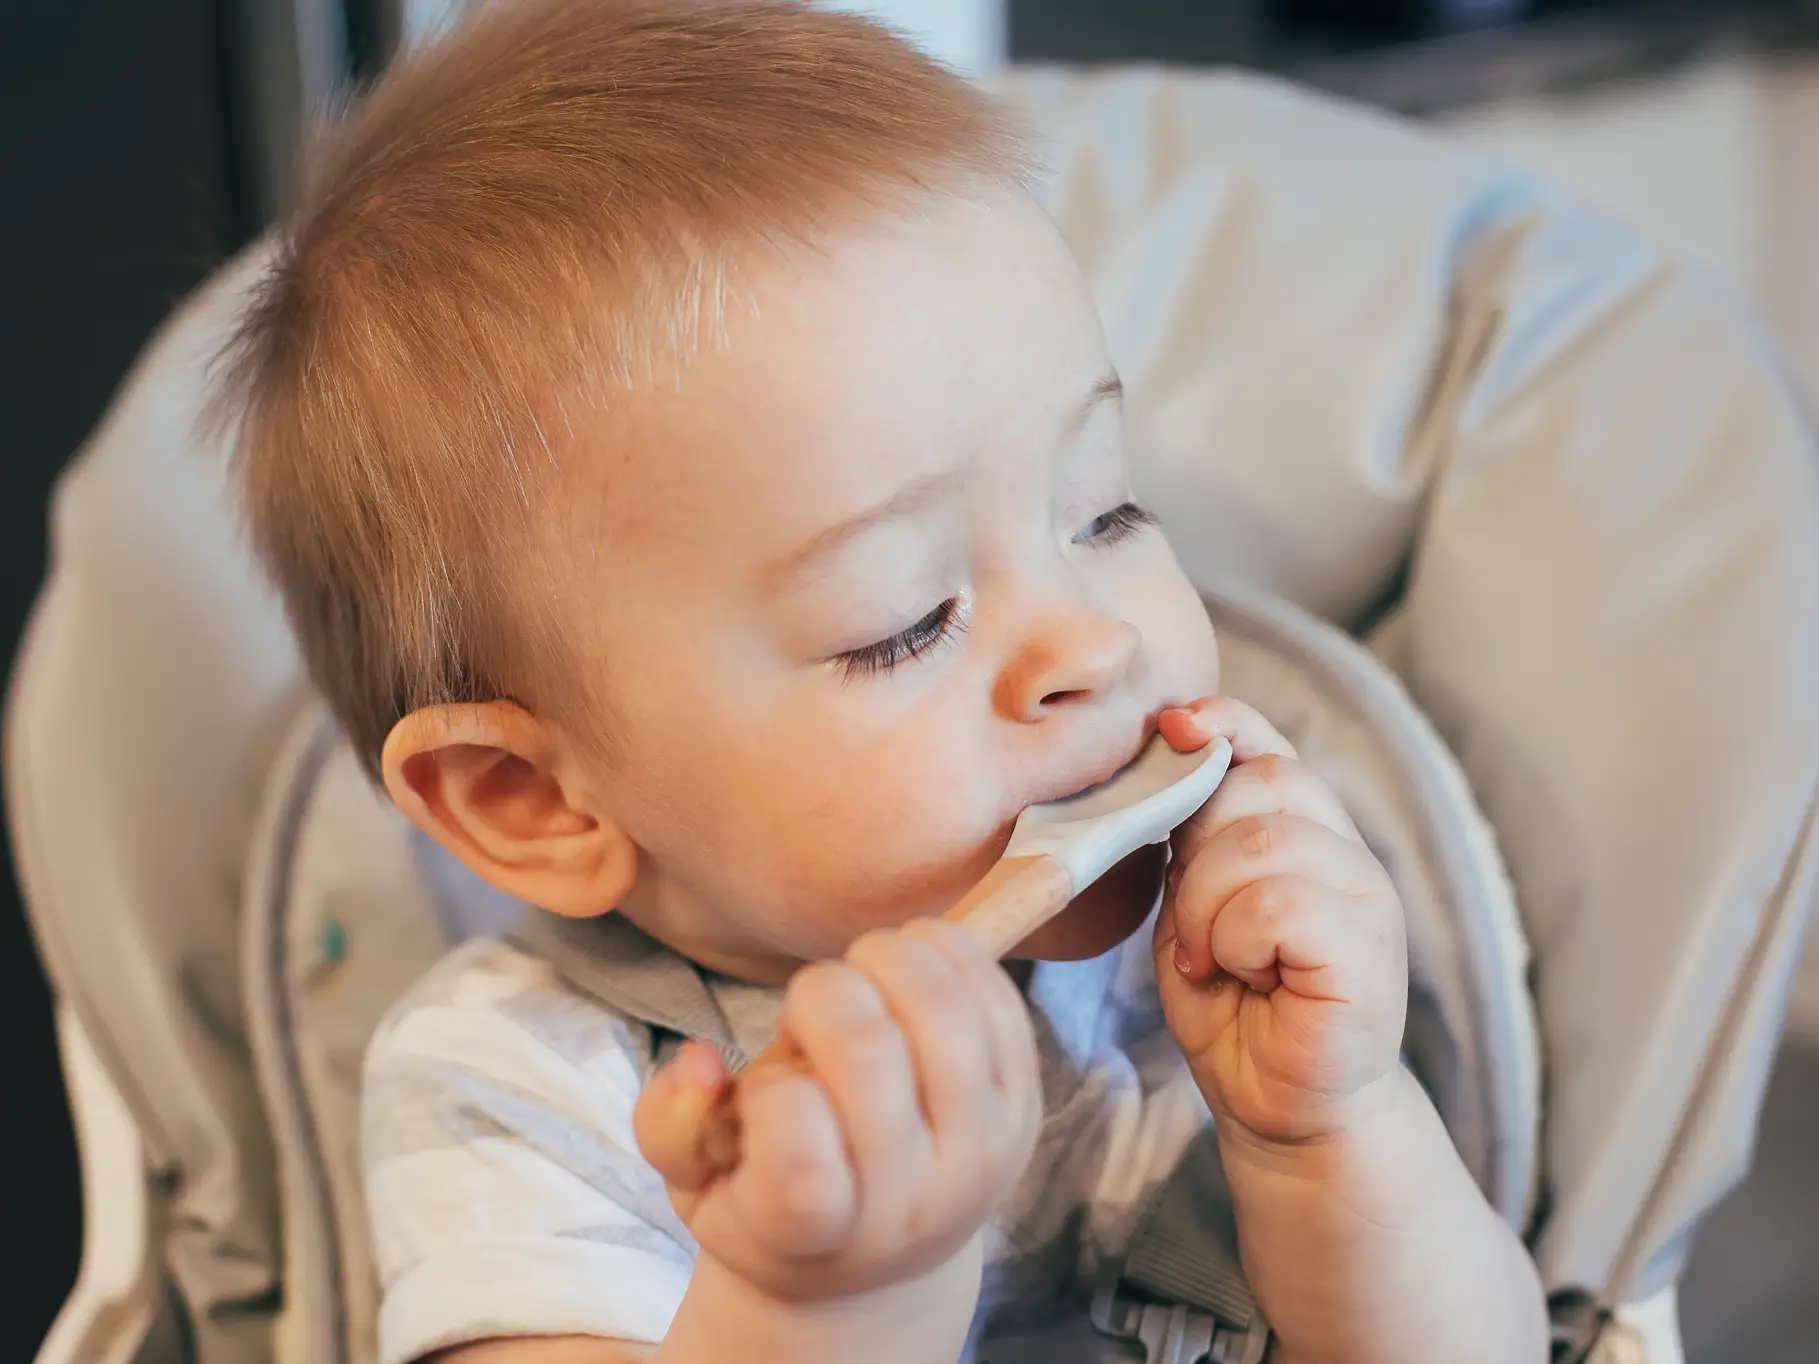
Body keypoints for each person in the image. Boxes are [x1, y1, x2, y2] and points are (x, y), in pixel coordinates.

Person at [215, 1, 1548, 1359]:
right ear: (533, 801)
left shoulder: (1210, 955)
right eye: (905, 621)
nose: (1090, 645)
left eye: (1104, 513)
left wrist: (1330, 1125)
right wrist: (829, 1300)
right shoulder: (525, 1098)